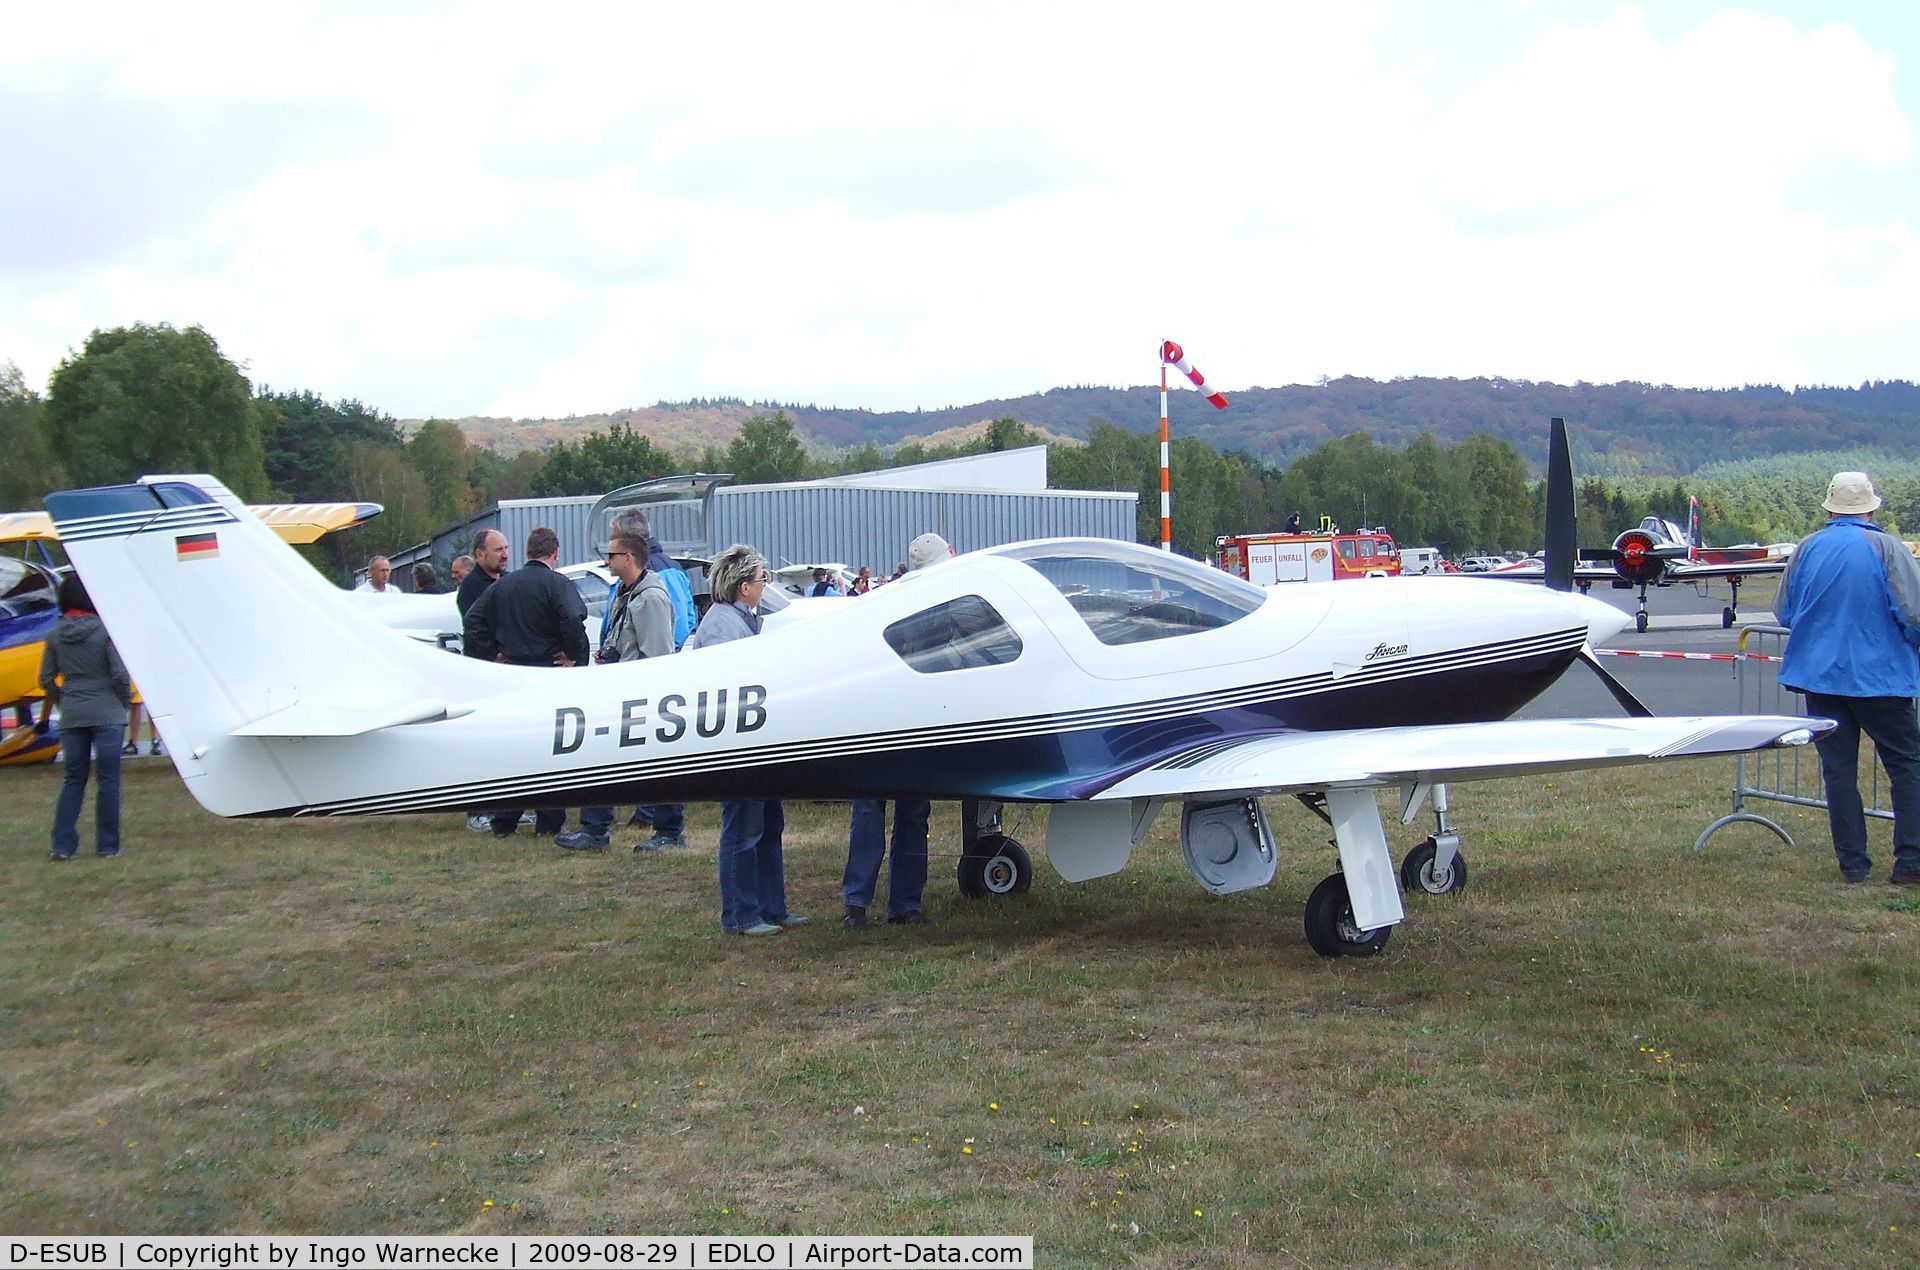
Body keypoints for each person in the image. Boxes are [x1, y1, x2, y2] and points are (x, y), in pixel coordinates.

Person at [1776, 472, 1920, 887]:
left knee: (1838, 771)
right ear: (1871, 508)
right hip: (1882, 678)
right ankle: (1910, 861)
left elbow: (1784, 612)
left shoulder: (1807, 548)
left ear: (1830, 508)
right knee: (1906, 767)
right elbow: (1913, 612)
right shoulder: (1886, 547)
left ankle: (1853, 864)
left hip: (1821, 677)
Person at [685, 544, 804, 935]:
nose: (764, 584)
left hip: (759, 741)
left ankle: (773, 907)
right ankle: (740, 915)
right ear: (742, 587)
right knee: (743, 829)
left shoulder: (742, 618)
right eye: (760, 579)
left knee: (769, 827)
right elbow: (724, 686)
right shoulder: (722, 624)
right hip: (737, 744)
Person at [840, 533, 956, 928]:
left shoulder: (884, 601)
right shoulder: (941, 607)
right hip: (905, 723)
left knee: (880, 812)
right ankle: (896, 904)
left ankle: (864, 904)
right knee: (902, 813)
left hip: (880, 719)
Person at [465, 527, 603, 843]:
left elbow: (473, 621)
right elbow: (572, 618)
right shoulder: (557, 584)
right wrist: (573, 657)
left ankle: (504, 818)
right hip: (548, 673)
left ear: (528, 551)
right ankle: (550, 819)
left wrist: (494, 653)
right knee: (550, 751)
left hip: (513, 675)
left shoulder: (503, 586)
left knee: (513, 750)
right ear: (554, 553)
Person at [561, 531, 677, 852]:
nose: (607, 561)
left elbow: (657, 656)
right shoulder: (627, 593)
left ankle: (669, 831)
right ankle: (595, 830)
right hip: (622, 690)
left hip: (642, 697)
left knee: (662, 767)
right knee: (602, 758)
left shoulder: (650, 598)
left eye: (611, 555)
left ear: (628, 558)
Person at [611, 507, 695, 848]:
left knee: (658, 758)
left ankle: (666, 825)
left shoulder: (654, 585)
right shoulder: (634, 585)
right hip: (634, 677)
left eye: (613, 552)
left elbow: (664, 639)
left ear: (631, 551)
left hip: (650, 687)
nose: (607, 559)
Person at [38, 574, 134, 860]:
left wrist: (64, 700)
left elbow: (45, 678)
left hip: (73, 713)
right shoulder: (105, 631)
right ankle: (108, 845)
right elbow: (118, 673)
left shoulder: (54, 635)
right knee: (109, 781)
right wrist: (123, 701)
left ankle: (63, 846)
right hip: (107, 712)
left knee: (73, 780)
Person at [456, 529, 511, 832]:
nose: (504, 555)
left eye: (506, 548)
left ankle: (508, 806)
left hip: (506, 673)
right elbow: (475, 626)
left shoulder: (506, 579)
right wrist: (496, 653)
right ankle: (478, 809)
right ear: (480, 555)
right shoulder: (472, 587)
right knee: (483, 744)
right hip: (482, 675)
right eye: (498, 550)